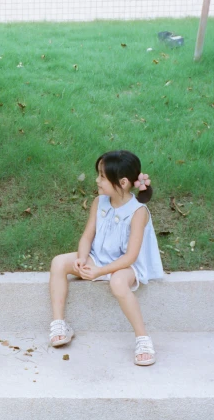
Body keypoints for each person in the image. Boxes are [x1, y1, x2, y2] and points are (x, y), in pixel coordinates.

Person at [47, 150, 164, 366]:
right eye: (98, 174)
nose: (97, 180)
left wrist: (100, 272)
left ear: (123, 182)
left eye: (102, 176)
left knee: (118, 283)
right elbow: (87, 236)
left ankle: (142, 339)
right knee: (59, 262)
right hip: (97, 258)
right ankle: (59, 323)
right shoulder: (99, 202)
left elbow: (130, 256)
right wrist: (82, 259)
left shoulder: (138, 212)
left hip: (125, 265)